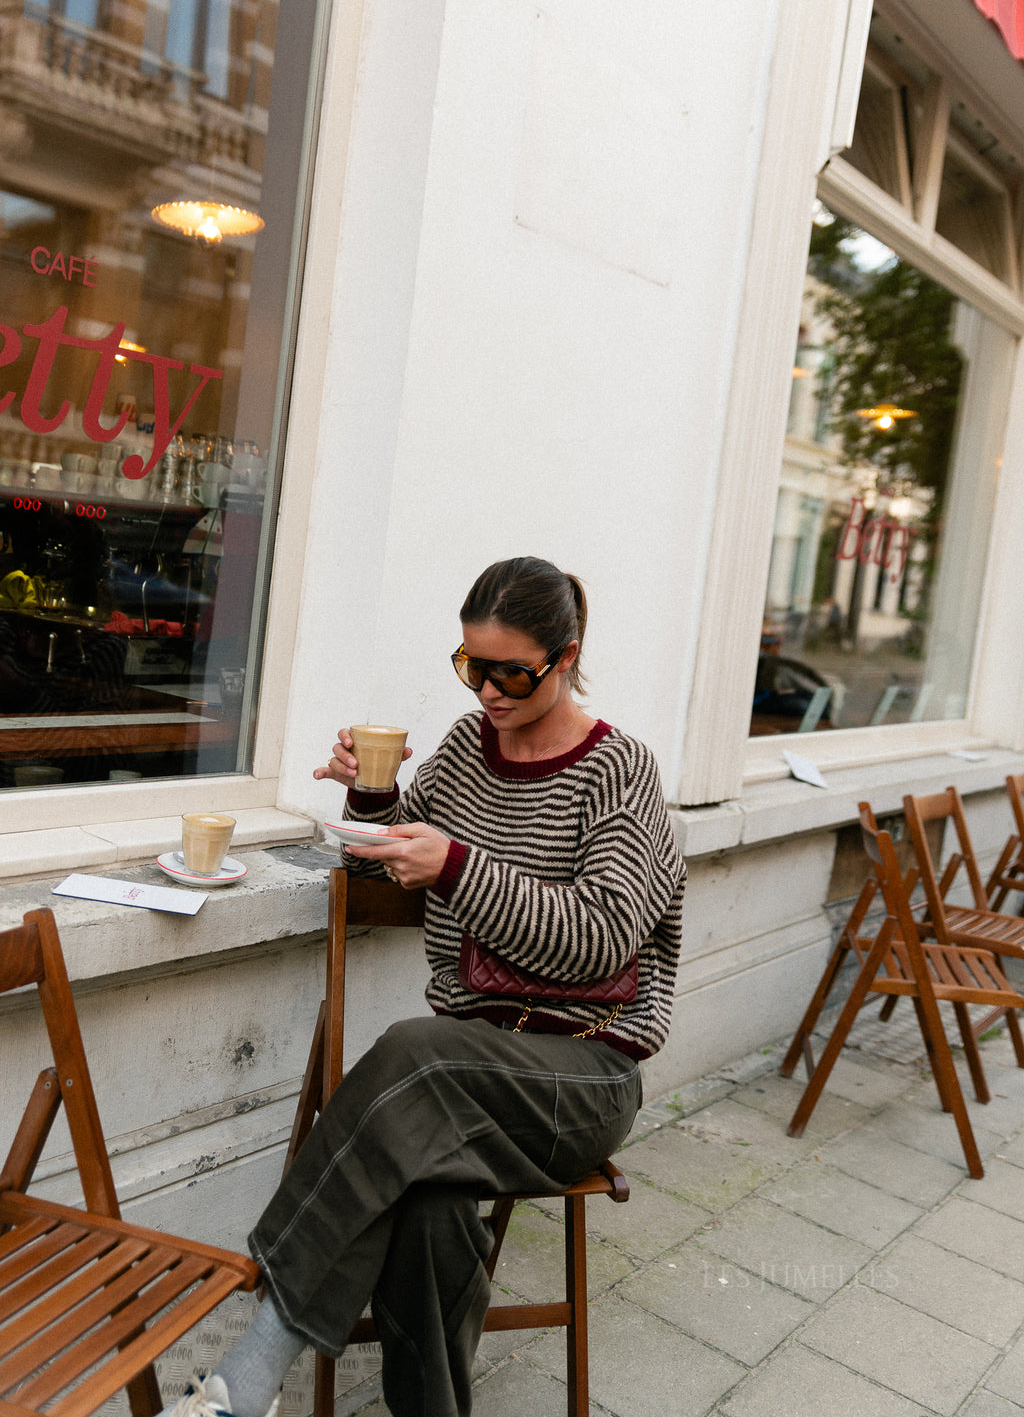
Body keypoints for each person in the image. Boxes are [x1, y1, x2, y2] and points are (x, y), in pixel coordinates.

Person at [161, 556, 685, 1417]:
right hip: (464, 1076)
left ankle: (246, 1381)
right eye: (472, 667)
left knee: (413, 1055)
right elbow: (387, 859)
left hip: (582, 1074)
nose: (488, 691)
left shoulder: (618, 771)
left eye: (511, 671)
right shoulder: (467, 749)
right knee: (432, 1205)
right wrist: (371, 795)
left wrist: (459, 866)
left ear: (567, 656)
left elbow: (600, 940)